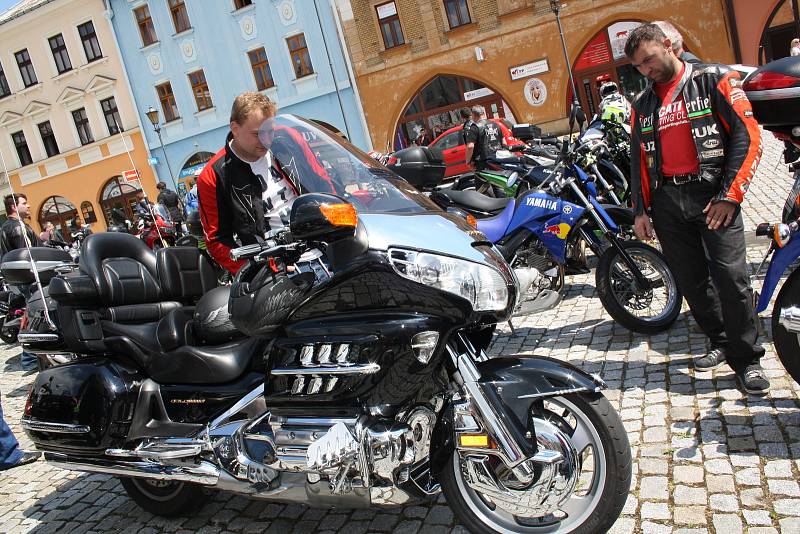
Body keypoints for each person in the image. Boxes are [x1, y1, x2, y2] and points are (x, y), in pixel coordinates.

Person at [625, 23, 768, 394]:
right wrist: (641, 210)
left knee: (731, 278)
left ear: (670, 45)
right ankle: (721, 341)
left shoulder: (714, 79)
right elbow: (638, 159)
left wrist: (729, 196)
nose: (645, 70)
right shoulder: (643, 105)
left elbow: (747, 136)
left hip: (713, 196)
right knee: (691, 281)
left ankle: (747, 359)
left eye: (649, 60)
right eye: (638, 67)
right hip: (668, 201)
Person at [198, 92, 335, 273]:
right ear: (235, 128)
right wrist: (260, 272)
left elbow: (323, 185)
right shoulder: (214, 175)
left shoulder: (288, 138)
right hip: (276, 269)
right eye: (257, 134)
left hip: (324, 245)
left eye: (270, 131)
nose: (266, 139)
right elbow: (217, 241)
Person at [1, 194, 41, 372]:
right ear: (14, 207)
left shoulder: (6, 226)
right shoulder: (18, 228)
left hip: (17, 278)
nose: (29, 205)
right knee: (36, 312)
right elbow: (27, 254)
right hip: (28, 277)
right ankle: (30, 358)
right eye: (24, 203)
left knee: (31, 312)